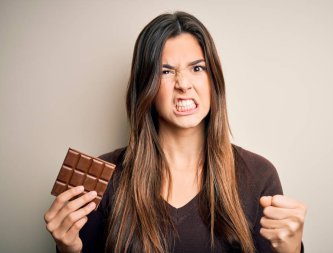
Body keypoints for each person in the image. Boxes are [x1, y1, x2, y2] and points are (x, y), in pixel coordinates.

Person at [44, 11, 307, 253]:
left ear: (213, 79)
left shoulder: (259, 175)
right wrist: (67, 251)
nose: (183, 84)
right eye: (166, 71)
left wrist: (292, 250)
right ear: (145, 86)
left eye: (197, 68)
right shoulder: (102, 178)